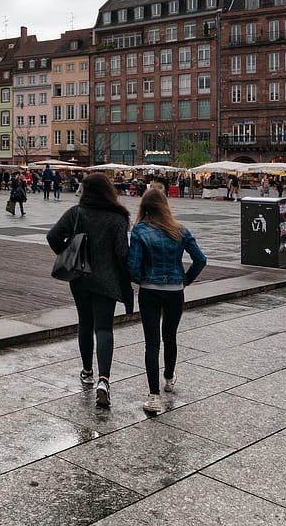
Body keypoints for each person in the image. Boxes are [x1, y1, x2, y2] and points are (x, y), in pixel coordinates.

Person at [46, 172, 133, 409]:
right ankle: (104, 380)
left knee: (85, 323)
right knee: (104, 328)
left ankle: (87, 372)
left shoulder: (76, 213)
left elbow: (53, 236)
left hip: (80, 277)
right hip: (107, 279)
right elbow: (122, 254)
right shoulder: (118, 217)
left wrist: (69, 252)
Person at [128, 188, 207, 416]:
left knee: (152, 343)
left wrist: (142, 279)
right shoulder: (180, 230)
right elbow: (200, 259)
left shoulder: (140, 230)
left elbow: (133, 265)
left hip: (150, 290)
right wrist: (185, 280)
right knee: (170, 336)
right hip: (174, 291)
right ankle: (169, 379)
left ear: (144, 207)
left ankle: (154, 397)